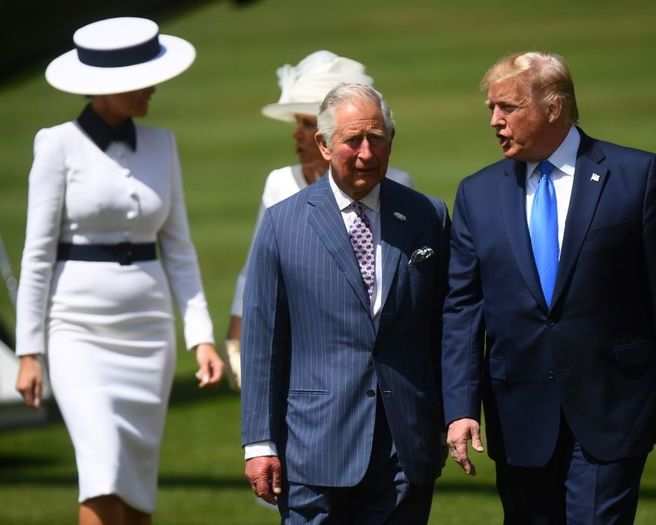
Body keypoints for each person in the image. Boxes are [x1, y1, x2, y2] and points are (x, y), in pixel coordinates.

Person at [442, 51, 656, 524]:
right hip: (517, 413)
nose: (496, 121)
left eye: (508, 107)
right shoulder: (477, 194)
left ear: (554, 107)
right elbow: (462, 309)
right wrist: (460, 408)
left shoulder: (635, 176)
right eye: (491, 110)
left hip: (612, 408)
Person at [14, 17, 224, 525]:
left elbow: (179, 248)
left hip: (148, 335)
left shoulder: (162, 143)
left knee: (135, 489)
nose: (152, 88)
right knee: (101, 469)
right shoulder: (56, 144)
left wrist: (202, 337)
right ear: (104, 88)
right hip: (77, 332)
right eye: (140, 79)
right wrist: (29, 351)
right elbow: (37, 254)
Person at [241, 83, 449, 524]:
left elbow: (446, 326)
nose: (366, 154)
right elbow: (263, 341)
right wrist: (259, 443)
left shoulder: (426, 216)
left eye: (377, 139)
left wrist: (456, 413)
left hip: (403, 447)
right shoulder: (283, 224)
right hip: (313, 448)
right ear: (323, 143)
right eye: (353, 140)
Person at [224, 50, 413, 390]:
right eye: (297, 124)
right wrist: (238, 326)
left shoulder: (397, 184)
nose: (298, 135)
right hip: (302, 335)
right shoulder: (280, 183)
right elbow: (256, 264)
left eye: (307, 124)